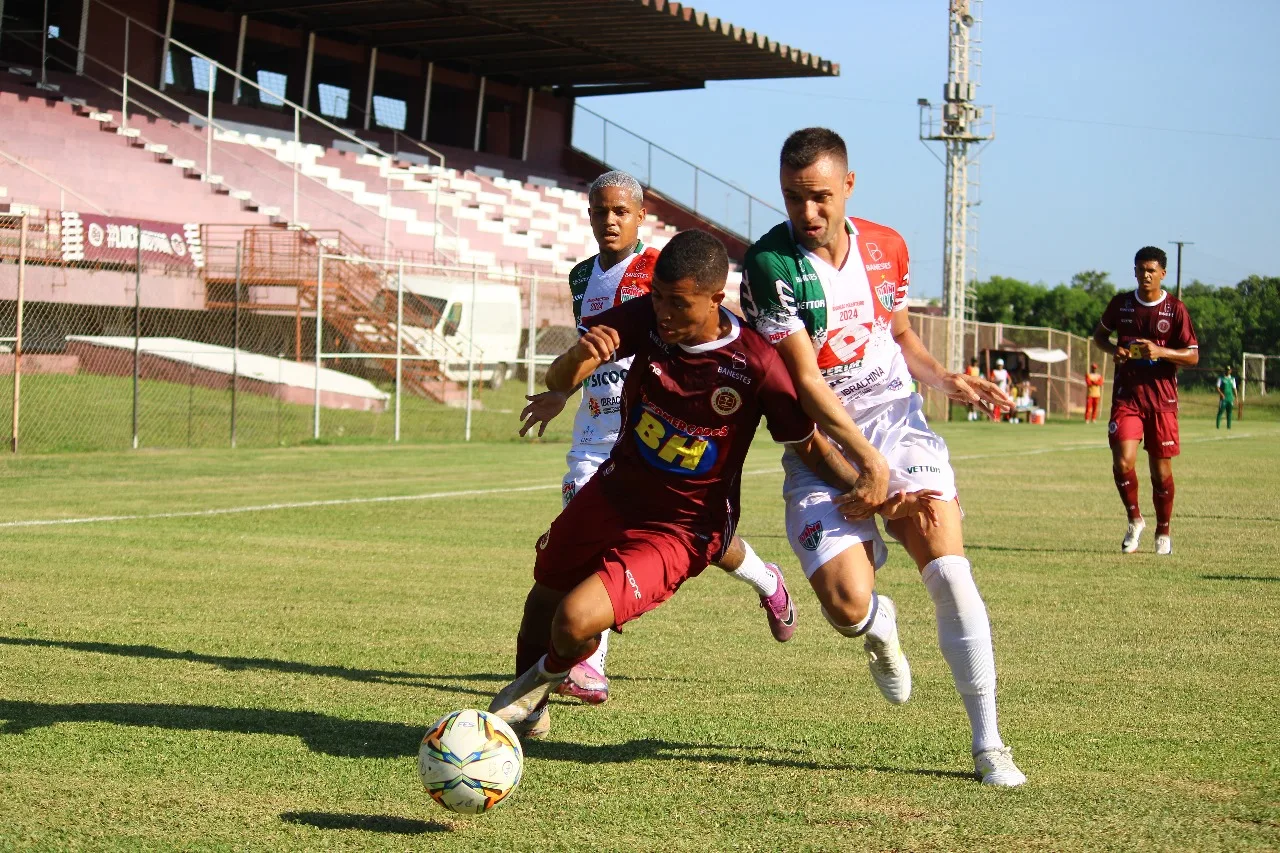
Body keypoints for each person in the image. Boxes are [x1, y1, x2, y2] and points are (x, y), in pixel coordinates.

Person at [491, 230, 937, 738]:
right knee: (543, 595)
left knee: (572, 620)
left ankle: (534, 687)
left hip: (683, 528)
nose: (662, 313)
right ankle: (525, 722)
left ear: (714, 299)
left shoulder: (759, 365)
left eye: (677, 303)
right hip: (616, 491)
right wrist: (579, 357)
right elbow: (561, 376)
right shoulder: (647, 319)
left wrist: (871, 491)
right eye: (657, 297)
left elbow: (808, 445)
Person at [740, 127, 1025, 786]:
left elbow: (898, 335)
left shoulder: (887, 247)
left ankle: (989, 744)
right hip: (823, 443)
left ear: (848, 186)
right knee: (844, 604)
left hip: (899, 426)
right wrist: (864, 462)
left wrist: (944, 378)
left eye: (818, 198)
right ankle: (878, 625)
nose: (805, 214)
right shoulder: (770, 266)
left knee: (950, 572)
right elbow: (807, 382)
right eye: (791, 198)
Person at [519, 171, 797, 707]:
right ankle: (586, 663)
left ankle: (767, 582)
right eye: (600, 211)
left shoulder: (662, 273)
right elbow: (586, 350)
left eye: (620, 211)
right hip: (598, 427)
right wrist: (561, 390)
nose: (609, 221)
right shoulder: (581, 277)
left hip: (662, 421)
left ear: (640, 215)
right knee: (586, 535)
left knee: (706, 541)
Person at [1091, 246, 1199, 555]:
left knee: (1160, 472)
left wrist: (1161, 352)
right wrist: (1116, 351)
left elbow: (1193, 355)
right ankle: (1134, 519)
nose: (1145, 275)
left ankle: (1163, 530)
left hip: (1162, 401)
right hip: (1128, 398)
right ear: (1135, 271)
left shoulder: (1175, 309)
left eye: (1151, 270)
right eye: (1140, 269)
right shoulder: (1121, 304)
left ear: (1163, 273)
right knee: (1122, 460)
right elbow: (1099, 337)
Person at [1216, 365, 1236, 429]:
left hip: (1230, 398)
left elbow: (1234, 388)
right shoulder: (1221, 378)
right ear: (1225, 370)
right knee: (1221, 411)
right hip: (1224, 398)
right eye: (1227, 370)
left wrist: (1236, 397)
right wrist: (1221, 394)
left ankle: (1229, 427)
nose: (1228, 371)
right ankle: (1218, 427)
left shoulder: (1232, 379)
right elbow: (1217, 387)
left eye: (1229, 370)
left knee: (1229, 413)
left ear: (1231, 371)